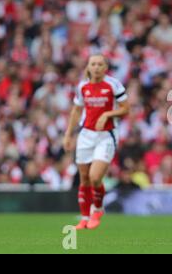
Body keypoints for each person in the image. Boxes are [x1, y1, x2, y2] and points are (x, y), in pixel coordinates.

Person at [63, 55, 130, 230]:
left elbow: (125, 108)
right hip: (86, 135)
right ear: (89, 67)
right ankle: (84, 218)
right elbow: (76, 111)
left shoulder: (113, 85)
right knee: (84, 179)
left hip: (106, 135)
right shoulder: (82, 86)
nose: (97, 67)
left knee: (95, 177)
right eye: (93, 64)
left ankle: (98, 209)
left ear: (106, 67)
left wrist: (107, 114)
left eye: (100, 64)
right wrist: (68, 134)